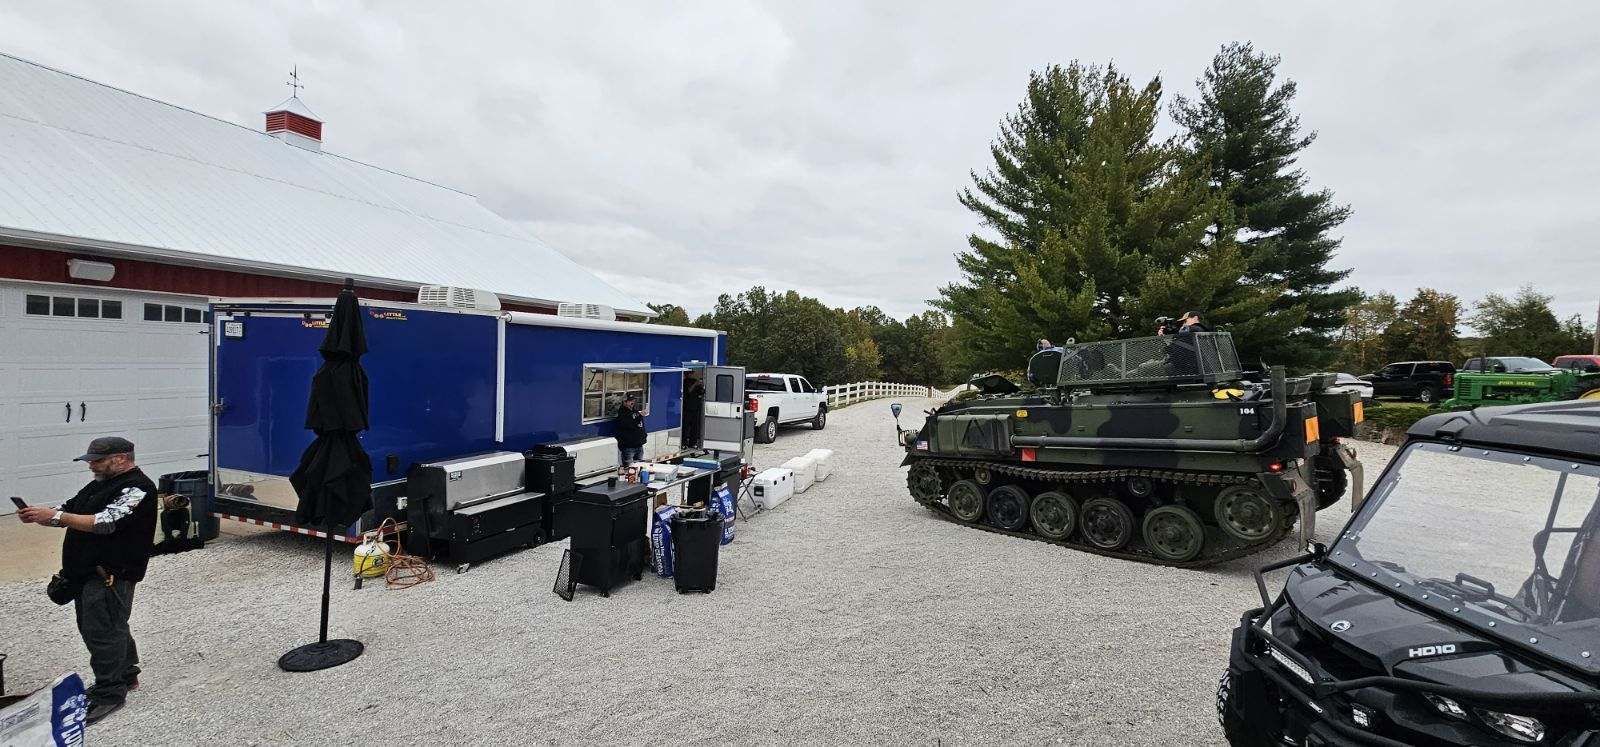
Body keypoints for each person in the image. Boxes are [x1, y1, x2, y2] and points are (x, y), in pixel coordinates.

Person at [16, 436, 157, 725]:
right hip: (88, 572)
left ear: (120, 458)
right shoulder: (100, 484)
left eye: (96, 460)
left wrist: (57, 517)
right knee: (111, 625)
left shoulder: (138, 487)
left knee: (102, 631)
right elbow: (71, 508)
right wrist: (41, 515)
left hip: (110, 574)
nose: (90, 464)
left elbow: (107, 522)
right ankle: (127, 675)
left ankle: (109, 693)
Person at [614, 393, 647, 466]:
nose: (632, 402)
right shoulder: (622, 413)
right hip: (628, 447)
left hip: (639, 445)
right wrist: (639, 416)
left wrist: (644, 436)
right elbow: (629, 424)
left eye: (633, 400)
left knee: (639, 467)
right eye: (630, 401)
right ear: (624, 402)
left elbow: (640, 425)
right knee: (629, 469)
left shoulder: (635, 411)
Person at [682, 373, 706, 449]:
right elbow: (688, 391)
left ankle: (693, 443)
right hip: (687, 408)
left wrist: (702, 386)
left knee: (695, 427)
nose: (692, 375)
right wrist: (695, 384)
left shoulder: (695, 381)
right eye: (690, 374)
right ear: (686, 375)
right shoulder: (684, 382)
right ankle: (683, 443)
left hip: (696, 408)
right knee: (685, 427)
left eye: (692, 373)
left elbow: (701, 392)